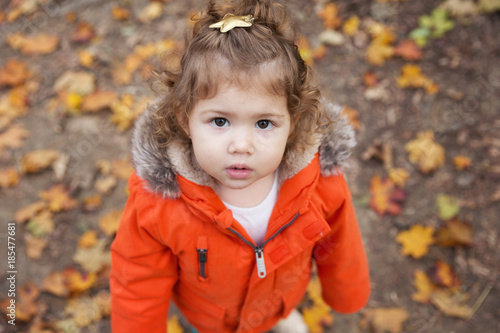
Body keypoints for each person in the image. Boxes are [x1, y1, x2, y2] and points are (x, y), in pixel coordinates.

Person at [110, 0, 370, 332]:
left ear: (293, 123)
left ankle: (279, 320)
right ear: (185, 119)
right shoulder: (158, 204)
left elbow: (341, 242)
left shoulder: (317, 181)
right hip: (207, 319)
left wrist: (345, 293)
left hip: (278, 301)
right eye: (220, 121)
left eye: (264, 124)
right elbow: (138, 280)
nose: (241, 146)